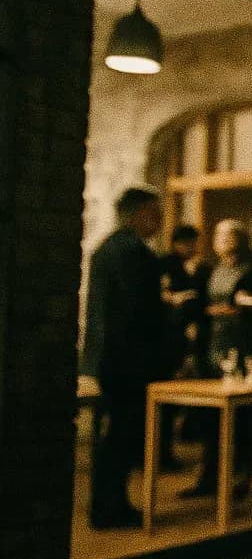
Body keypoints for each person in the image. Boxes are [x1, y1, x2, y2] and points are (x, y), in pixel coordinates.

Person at [80, 186, 165, 529]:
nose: (159, 221)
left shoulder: (105, 248)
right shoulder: (135, 253)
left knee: (111, 434)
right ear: (139, 213)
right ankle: (109, 507)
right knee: (123, 435)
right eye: (155, 214)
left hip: (107, 357)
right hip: (129, 358)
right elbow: (138, 311)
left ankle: (107, 503)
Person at [180, 218, 252, 500]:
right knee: (211, 418)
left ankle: (240, 477)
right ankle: (209, 476)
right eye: (218, 234)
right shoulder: (213, 269)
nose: (221, 239)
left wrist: (237, 311)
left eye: (228, 235)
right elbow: (203, 304)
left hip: (243, 347)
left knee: (242, 418)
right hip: (214, 347)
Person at [157, 224, 209, 472]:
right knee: (166, 396)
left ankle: (165, 450)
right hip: (168, 336)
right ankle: (161, 452)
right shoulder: (167, 263)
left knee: (173, 399)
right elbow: (160, 292)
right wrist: (173, 298)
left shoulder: (194, 267)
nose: (194, 248)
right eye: (191, 243)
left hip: (181, 337)